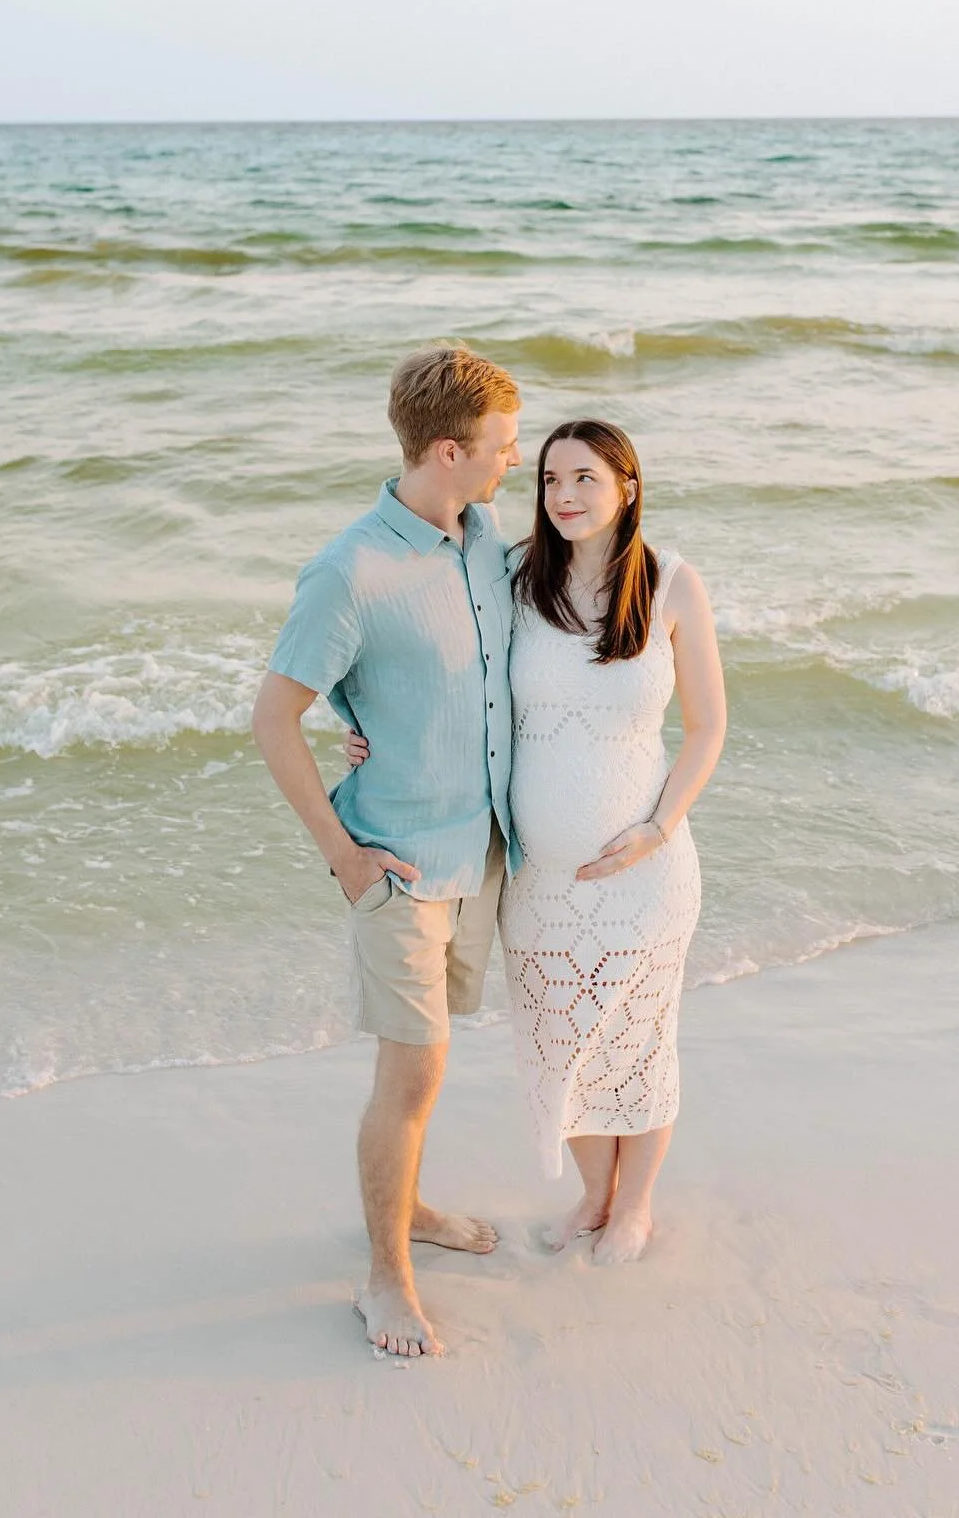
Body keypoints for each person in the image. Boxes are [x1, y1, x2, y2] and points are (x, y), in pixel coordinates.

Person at [348, 418, 726, 1262]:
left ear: (627, 485)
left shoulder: (671, 586)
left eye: (585, 478)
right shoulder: (514, 577)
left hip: (646, 872)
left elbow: (707, 728)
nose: (563, 496)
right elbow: (441, 671)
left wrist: (657, 830)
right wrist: (369, 726)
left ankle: (635, 1207)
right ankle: (594, 1196)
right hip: (541, 879)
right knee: (562, 1041)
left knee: (638, 1037)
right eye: (550, 480)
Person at [251, 343, 522, 1360]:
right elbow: (275, 718)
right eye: (501, 446)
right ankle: (385, 1280)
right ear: (448, 451)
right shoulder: (350, 570)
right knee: (408, 1080)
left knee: (431, 1069)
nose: (514, 460)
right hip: (397, 866)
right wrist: (345, 854)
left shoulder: (485, 540)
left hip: (479, 861)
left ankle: (407, 1208)